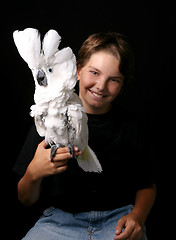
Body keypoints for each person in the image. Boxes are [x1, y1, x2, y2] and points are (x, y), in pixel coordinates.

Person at [13, 32, 156, 240]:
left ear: (123, 84)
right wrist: (33, 173)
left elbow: (147, 184)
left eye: (113, 79)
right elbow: (25, 199)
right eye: (94, 72)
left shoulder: (131, 127)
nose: (101, 85)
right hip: (59, 222)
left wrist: (137, 217)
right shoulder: (46, 118)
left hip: (116, 221)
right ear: (77, 70)